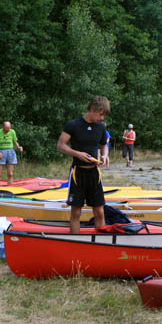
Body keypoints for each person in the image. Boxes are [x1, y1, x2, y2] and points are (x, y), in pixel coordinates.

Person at [56, 96, 110, 233]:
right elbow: (60, 145)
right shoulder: (73, 125)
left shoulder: (101, 127)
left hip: (94, 173)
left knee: (100, 212)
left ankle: (101, 244)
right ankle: (75, 243)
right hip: (77, 173)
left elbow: (104, 145)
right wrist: (77, 153)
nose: (102, 118)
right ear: (92, 109)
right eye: (100, 114)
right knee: (76, 213)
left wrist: (104, 155)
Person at [0, 121, 23, 186]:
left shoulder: (12, 132)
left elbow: (15, 142)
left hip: (10, 152)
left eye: (8, 129)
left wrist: (18, 147)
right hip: (1, 152)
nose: (7, 131)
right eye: (6, 129)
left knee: (10, 174)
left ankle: (10, 189)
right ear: (3, 127)